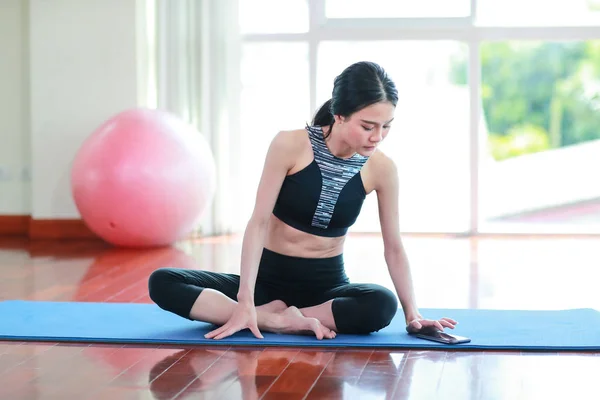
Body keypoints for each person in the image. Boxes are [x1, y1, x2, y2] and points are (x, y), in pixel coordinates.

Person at [148, 61, 457, 340]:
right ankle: (273, 319)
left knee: (382, 304)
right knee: (162, 282)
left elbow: (394, 246)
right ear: (339, 114)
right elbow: (258, 222)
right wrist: (245, 300)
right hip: (265, 285)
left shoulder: (382, 169)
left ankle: (283, 317)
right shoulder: (289, 145)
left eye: (386, 126)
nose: (377, 136)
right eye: (367, 126)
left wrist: (412, 313)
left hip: (324, 291)